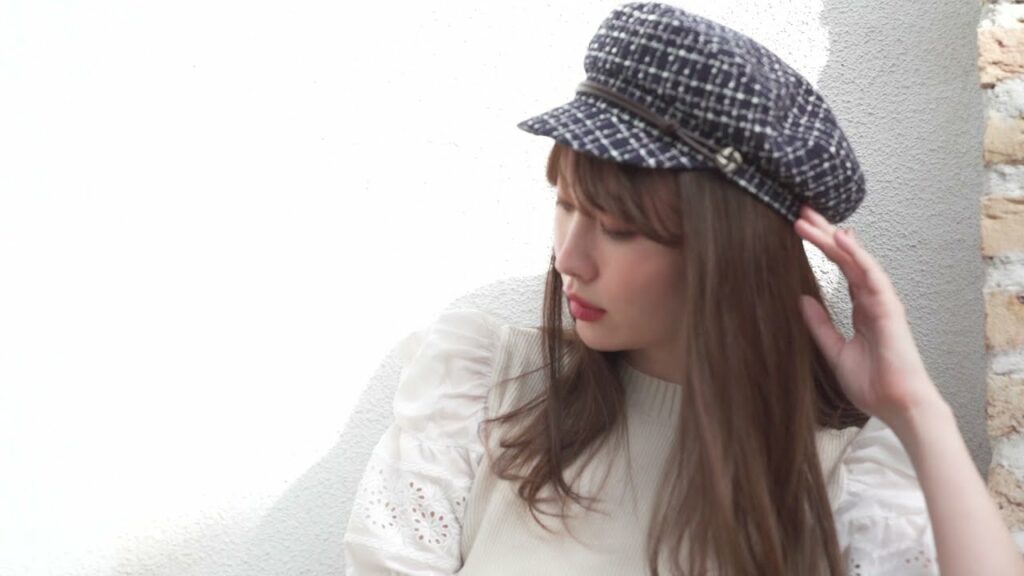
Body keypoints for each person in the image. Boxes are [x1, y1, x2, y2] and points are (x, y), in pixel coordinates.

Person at [343, 3, 1024, 574]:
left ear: (725, 254)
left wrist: (916, 408)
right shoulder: (485, 394)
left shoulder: (848, 483)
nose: (569, 259)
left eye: (618, 229)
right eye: (566, 205)